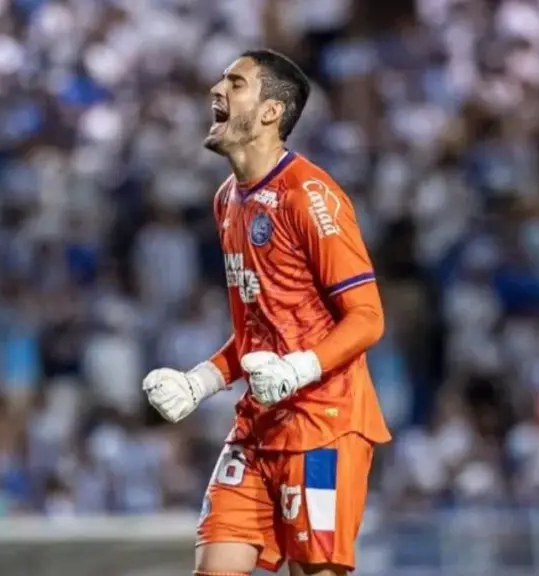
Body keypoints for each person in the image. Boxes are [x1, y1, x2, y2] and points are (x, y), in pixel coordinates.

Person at [141, 49, 392, 576]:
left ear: (271, 111)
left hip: (322, 424)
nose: (216, 89)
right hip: (258, 423)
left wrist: (298, 369)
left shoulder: (310, 195)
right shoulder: (228, 199)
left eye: (235, 83)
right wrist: (201, 382)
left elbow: (368, 317)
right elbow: (260, 330)